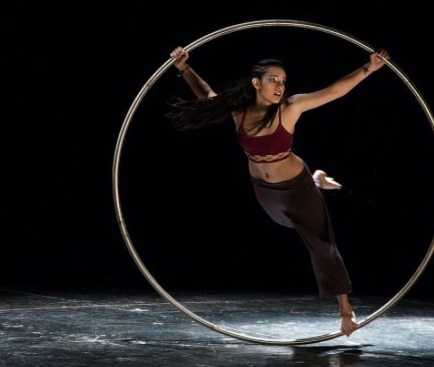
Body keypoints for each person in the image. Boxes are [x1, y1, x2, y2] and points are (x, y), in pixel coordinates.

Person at [167, 46, 389, 336]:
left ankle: (346, 311)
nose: (280, 86)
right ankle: (319, 179)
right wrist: (184, 68)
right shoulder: (238, 110)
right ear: (256, 83)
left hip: (296, 188)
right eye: (273, 80)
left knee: (320, 243)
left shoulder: (290, 108)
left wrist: (369, 67)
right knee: (286, 223)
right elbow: (206, 95)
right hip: (264, 190)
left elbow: (335, 91)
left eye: (283, 81)